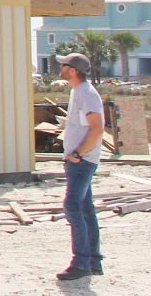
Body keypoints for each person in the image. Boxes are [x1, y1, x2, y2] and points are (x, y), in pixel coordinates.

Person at [54, 51, 104, 280]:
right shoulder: (79, 92)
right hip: (79, 160)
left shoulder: (86, 94)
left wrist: (77, 154)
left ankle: (81, 263)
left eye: (63, 65)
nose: (60, 68)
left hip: (82, 161)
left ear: (72, 70)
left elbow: (97, 128)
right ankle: (93, 261)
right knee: (85, 210)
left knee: (73, 207)